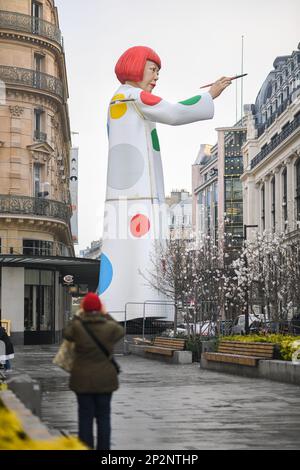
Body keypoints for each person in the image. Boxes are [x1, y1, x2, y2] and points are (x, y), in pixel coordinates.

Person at [99, 45, 232, 320]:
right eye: (152, 69)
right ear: (136, 66)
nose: (156, 76)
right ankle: (145, 310)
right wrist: (210, 95)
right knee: (143, 245)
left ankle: (124, 307)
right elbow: (172, 112)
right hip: (141, 194)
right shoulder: (132, 97)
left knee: (128, 247)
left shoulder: (118, 99)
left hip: (126, 193)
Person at [63, 292, 124, 450]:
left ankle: (85, 448)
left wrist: (78, 316)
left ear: (84, 308)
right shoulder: (110, 327)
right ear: (99, 308)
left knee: (85, 417)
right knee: (104, 417)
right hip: (105, 380)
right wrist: (106, 314)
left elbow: (66, 333)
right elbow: (120, 330)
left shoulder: (77, 326)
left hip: (81, 379)